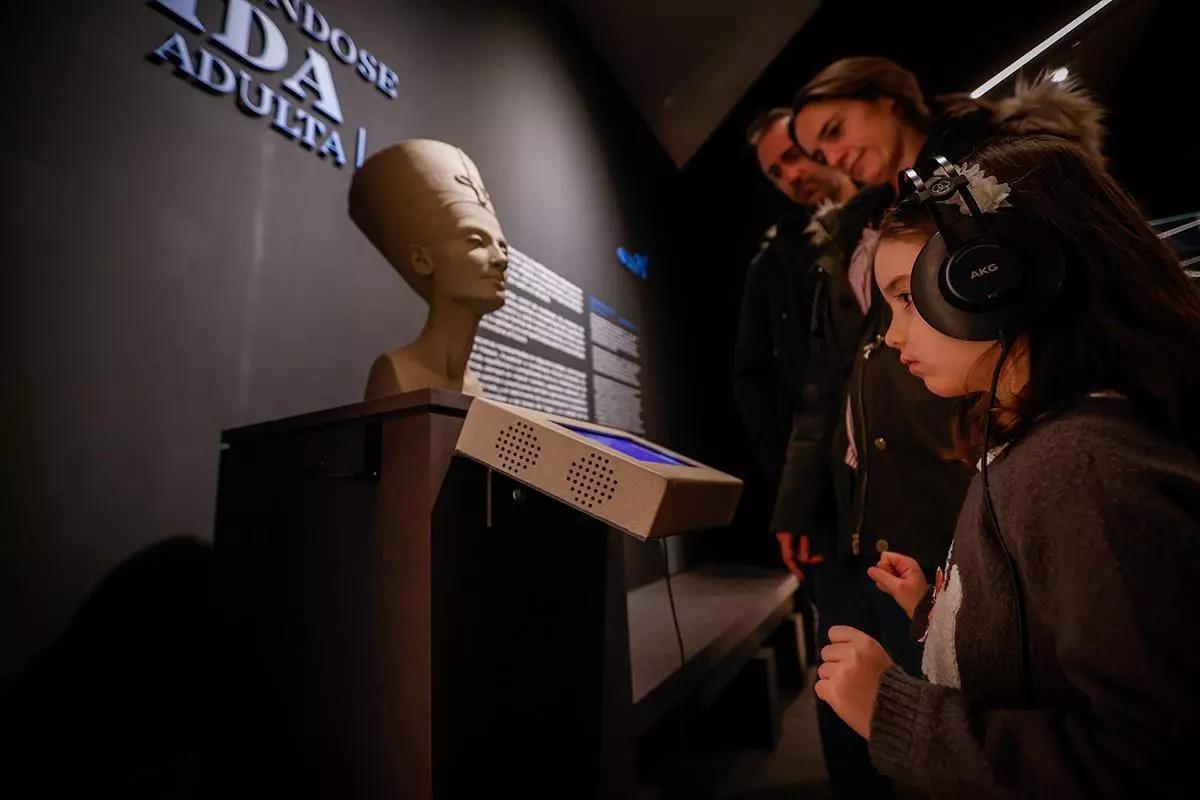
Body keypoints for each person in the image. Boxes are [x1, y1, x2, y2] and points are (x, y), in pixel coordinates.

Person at [817, 134, 1200, 797]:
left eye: (909, 298)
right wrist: (944, 616)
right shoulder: (1039, 446)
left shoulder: (1081, 467)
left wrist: (894, 712)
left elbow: (1147, 757)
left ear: (994, 278)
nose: (894, 333)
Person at [777, 58, 1106, 797]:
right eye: (815, 151)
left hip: (963, 487)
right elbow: (828, 383)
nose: (828, 158)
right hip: (882, 516)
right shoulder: (858, 224)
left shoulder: (1000, 176)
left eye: (832, 131)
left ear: (889, 97)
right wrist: (803, 504)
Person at [733, 109, 855, 502]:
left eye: (792, 155)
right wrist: (792, 497)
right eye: (775, 173)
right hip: (832, 476)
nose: (791, 176)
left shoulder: (896, 209)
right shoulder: (775, 263)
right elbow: (754, 379)